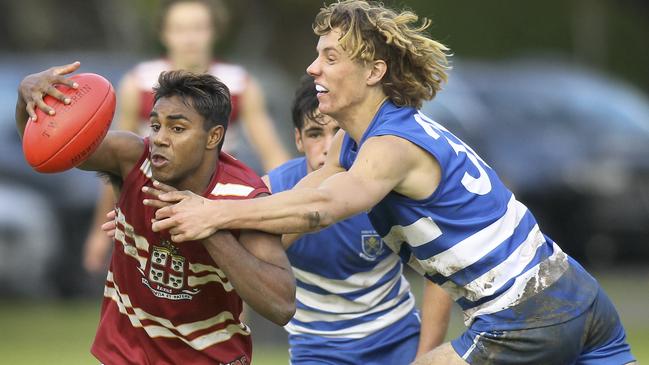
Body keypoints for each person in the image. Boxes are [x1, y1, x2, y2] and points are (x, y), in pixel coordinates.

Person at [144, 1, 637, 364]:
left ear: (374, 71)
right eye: (317, 55)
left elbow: (324, 209)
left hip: (526, 311)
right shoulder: (357, 142)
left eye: (331, 57)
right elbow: (307, 196)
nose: (314, 67)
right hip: (577, 294)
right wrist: (189, 210)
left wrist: (213, 214)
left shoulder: (392, 145)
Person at [15, 62, 296, 364]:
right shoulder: (132, 158)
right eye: (155, 125)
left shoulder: (243, 197)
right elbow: (48, 151)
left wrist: (209, 227)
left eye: (177, 128)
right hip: (125, 355)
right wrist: (27, 99)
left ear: (213, 137)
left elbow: (281, 305)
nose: (160, 138)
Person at [83, 0, 290, 274]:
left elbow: (273, 153)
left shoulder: (239, 83)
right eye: (180, 29)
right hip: (153, 202)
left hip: (218, 204)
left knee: (229, 286)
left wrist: (284, 209)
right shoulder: (139, 82)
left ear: (214, 32)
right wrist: (98, 233)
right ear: (164, 34)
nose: (190, 38)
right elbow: (116, 162)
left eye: (198, 28)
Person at [265, 75, 453, 363]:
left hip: (396, 337)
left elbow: (439, 271)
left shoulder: (390, 190)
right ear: (298, 139)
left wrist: (424, 358)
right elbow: (243, 269)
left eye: (340, 131)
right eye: (315, 134)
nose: (329, 147)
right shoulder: (273, 193)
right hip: (316, 348)